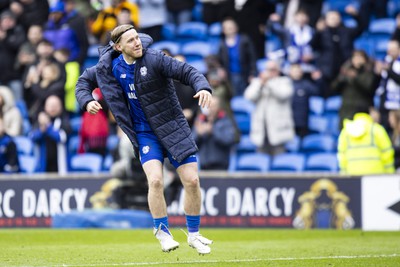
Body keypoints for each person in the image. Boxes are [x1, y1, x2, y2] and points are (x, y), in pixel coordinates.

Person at [75, 25, 213, 254]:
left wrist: (203, 87)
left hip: (173, 127)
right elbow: (83, 83)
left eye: (137, 38)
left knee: (192, 181)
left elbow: (188, 72)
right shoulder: (108, 67)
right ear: (118, 47)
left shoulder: (156, 59)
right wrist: (87, 101)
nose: (137, 43)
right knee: (156, 181)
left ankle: (195, 235)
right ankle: (162, 231)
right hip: (144, 133)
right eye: (130, 41)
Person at [244, 60, 295, 156]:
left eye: (273, 70)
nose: (270, 72)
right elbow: (249, 96)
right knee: (260, 161)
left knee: (279, 164)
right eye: (268, 70)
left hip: (278, 130)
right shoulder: (258, 82)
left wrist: (268, 83)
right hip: (262, 130)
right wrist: (260, 84)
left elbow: (283, 94)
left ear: (278, 70)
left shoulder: (284, 81)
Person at [337, 109, 395, 175]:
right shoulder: (378, 130)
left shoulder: (345, 132)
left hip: (352, 176)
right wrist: (390, 175)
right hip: (377, 176)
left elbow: (342, 157)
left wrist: (344, 175)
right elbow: (387, 155)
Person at [29, 95, 71, 174]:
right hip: (43, 166)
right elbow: (32, 137)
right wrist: (41, 130)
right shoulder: (39, 121)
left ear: (61, 107)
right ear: (45, 107)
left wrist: (48, 126)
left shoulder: (64, 120)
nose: (52, 108)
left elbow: (62, 137)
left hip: (60, 166)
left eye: (55, 106)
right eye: (50, 105)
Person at [217, 17, 257, 97]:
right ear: (223, 30)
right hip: (230, 76)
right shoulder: (222, 44)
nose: (230, 29)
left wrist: (253, 73)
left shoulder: (245, 40)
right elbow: (220, 60)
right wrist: (221, 69)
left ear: (236, 27)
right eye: (227, 28)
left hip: (244, 74)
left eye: (231, 27)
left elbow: (252, 58)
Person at [193, 95, 236, 170]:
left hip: (220, 165)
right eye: (209, 105)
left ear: (218, 107)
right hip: (204, 165)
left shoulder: (225, 120)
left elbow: (229, 140)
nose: (211, 108)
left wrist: (212, 131)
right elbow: (192, 144)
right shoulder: (200, 121)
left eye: (213, 106)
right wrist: (198, 134)